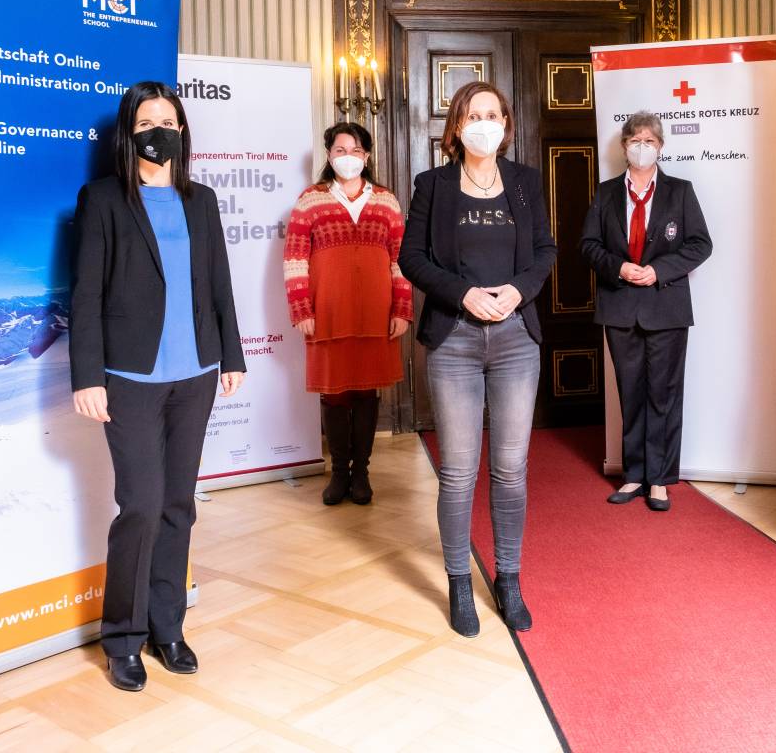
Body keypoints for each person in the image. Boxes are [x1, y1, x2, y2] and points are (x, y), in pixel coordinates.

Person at [70, 81, 246, 692]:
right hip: (131, 380)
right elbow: (86, 295)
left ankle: (167, 628)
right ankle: (122, 636)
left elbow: (220, 283)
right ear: (130, 132)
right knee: (140, 507)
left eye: (169, 120)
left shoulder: (202, 201)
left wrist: (232, 356)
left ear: (182, 131)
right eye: (148, 121)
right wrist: (87, 376)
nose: (159, 131)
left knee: (177, 506)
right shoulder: (102, 201)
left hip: (195, 375)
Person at [398, 81, 557, 637]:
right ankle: (460, 583)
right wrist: (463, 294)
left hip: (516, 338)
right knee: (460, 472)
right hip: (456, 341)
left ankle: (509, 579)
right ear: (457, 126)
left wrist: (519, 290)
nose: (484, 122)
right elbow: (411, 257)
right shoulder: (433, 185)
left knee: (511, 469)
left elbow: (545, 252)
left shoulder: (525, 183)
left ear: (506, 125)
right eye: (473, 114)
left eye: (493, 114)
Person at [581, 111, 712, 512]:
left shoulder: (680, 191)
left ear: (660, 146)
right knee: (632, 391)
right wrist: (617, 267)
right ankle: (634, 474)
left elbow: (700, 245)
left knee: (664, 394)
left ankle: (659, 479)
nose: (642, 146)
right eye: (635, 140)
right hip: (620, 307)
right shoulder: (605, 194)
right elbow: (588, 245)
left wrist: (658, 270)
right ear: (624, 147)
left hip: (666, 306)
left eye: (649, 141)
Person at [284, 121, 412, 505]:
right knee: (334, 393)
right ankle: (338, 473)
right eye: (340, 151)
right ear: (328, 156)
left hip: (376, 313)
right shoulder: (310, 200)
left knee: (365, 392)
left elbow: (401, 260)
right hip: (327, 313)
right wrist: (302, 308)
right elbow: (294, 258)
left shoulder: (387, 200)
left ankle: (362, 474)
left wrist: (402, 308)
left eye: (355, 151)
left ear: (367, 156)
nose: (348, 158)